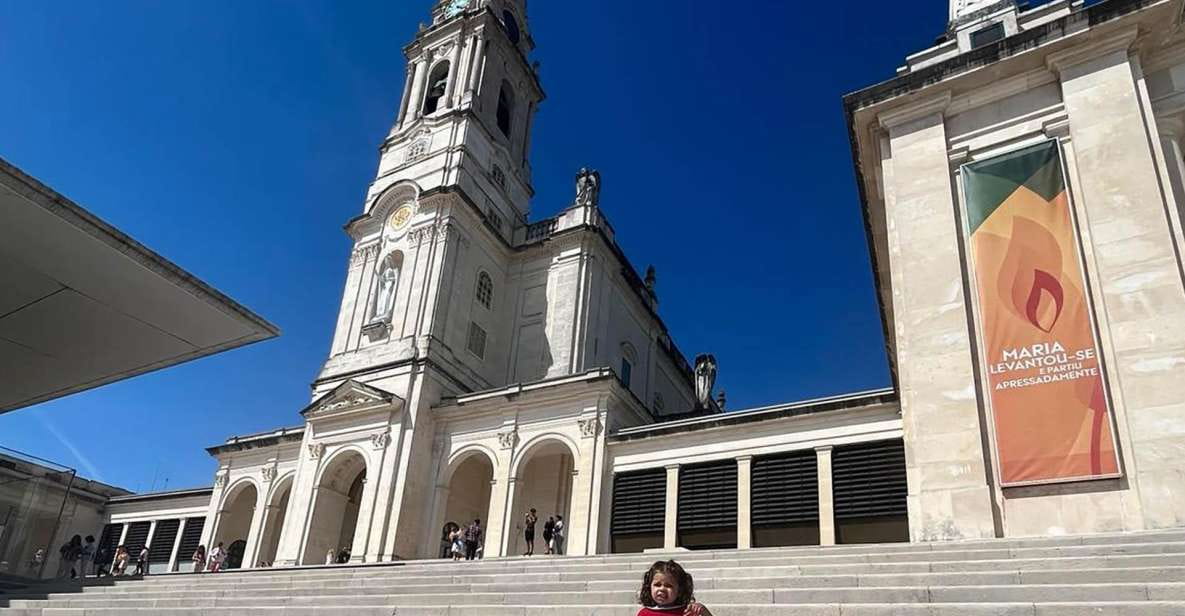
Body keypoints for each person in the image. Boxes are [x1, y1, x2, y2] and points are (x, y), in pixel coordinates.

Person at [637, 560, 713, 616]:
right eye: (657, 585)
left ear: (680, 590)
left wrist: (704, 612)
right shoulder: (644, 613)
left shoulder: (687, 612)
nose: (662, 589)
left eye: (668, 586)